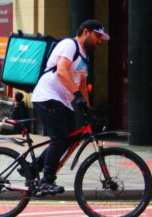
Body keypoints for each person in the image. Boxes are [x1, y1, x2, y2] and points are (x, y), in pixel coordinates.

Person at [31, 19, 109, 194]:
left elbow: (82, 86)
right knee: (59, 138)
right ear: (86, 32)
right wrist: (78, 96)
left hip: (63, 101)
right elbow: (62, 71)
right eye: (97, 36)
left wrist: (89, 110)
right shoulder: (69, 44)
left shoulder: (84, 56)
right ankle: (47, 180)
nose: (99, 41)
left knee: (72, 137)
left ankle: (34, 167)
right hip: (47, 96)